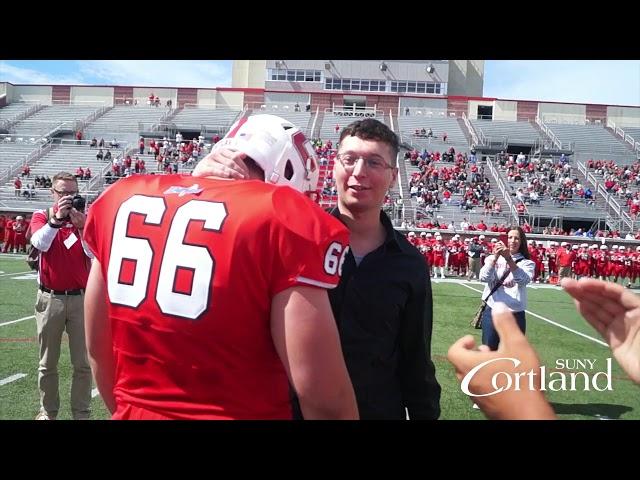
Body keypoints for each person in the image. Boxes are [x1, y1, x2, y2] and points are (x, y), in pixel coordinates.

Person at [82, 114, 358, 420]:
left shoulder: (122, 197)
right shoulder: (281, 215)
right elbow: (324, 399)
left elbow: (97, 350)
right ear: (286, 171)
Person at [193, 118, 441, 419]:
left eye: (374, 162)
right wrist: (203, 185)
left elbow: (415, 358)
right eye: (349, 159)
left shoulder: (409, 263)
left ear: (393, 176)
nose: (359, 172)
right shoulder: (293, 237)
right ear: (333, 167)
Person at [448, 277, 640, 419]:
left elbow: (523, 278)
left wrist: (520, 410)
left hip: (515, 310)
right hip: (495, 308)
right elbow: (484, 275)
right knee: (491, 348)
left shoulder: (525, 261)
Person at [29, 172, 93, 420]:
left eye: (72, 193)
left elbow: (94, 253)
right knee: (47, 363)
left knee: (83, 365)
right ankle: (48, 411)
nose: (67, 197)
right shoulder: (42, 215)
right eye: (62, 193)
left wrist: (82, 226)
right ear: (52, 193)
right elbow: (39, 243)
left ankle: (82, 413)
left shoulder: (84, 219)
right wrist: (56, 220)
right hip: (50, 299)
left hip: (80, 299)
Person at [478, 226, 535, 350]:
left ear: (521, 242)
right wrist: (495, 257)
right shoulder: (491, 258)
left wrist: (509, 258)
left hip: (515, 313)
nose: (512, 241)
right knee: (489, 351)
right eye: (509, 237)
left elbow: (523, 280)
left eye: (517, 238)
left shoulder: (527, 263)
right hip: (493, 310)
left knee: (513, 353)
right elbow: (483, 277)